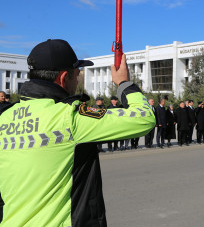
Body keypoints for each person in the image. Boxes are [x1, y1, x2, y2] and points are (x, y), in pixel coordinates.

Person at [0, 39, 155, 226]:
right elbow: (144, 118)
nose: (78, 79)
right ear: (64, 77)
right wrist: (124, 83)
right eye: (77, 74)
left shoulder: (5, 117)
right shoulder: (69, 117)